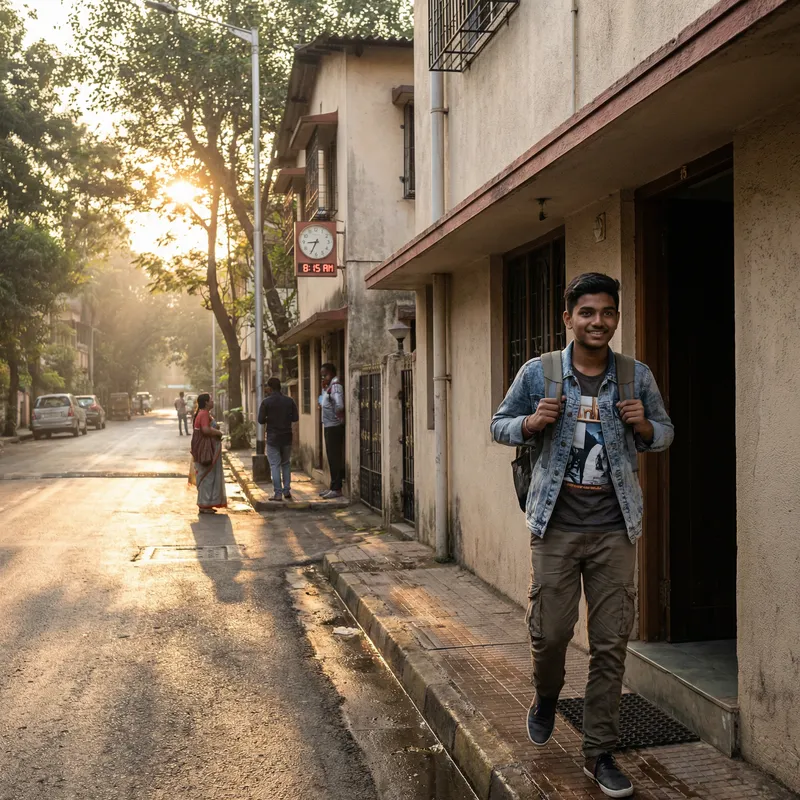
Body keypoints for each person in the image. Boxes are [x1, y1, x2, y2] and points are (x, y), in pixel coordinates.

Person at [491, 273, 673, 798]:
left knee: (611, 643)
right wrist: (529, 423)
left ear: (617, 318)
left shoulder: (636, 376)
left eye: (608, 313)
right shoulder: (540, 373)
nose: (598, 321)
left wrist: (645, 427)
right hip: (556, 527)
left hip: (616, 529)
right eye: (587, 312)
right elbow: (498, 423)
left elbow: (665, 433)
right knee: (549, 634)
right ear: (567, 318)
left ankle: (600, 751)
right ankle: (547, 697)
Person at [258, 377, 299, 501]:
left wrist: (269, 419)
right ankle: (287, 491)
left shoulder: (266, 402)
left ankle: (277, 493)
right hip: (286, 436)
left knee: (275, 465)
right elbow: (295, 418)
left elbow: (260, 420)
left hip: (272, 437)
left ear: (270, 388)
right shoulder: (289, 401)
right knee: (285, 464)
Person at [191, 393, 227, 514]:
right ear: (206, 402)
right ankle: (204, 504)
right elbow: (206, 430)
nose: (213, 402)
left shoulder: (202, 413)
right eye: (211, 400)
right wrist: (218, 433)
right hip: (206, 450)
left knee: (206, 476)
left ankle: (206, 504)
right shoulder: (204, 414)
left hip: (206, 448)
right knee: (207, 476)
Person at [319, 362, 345, 499]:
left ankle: (337, 488)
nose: (324, 377)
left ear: (332, 373)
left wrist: (336, 416)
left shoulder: (335, 386)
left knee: (334, 458)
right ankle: (333, 486)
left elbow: (340, 405)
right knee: (331, 458)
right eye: (322, 375)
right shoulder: (329, 387)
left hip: (334, 426)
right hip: (329, 426)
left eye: (325, 375)